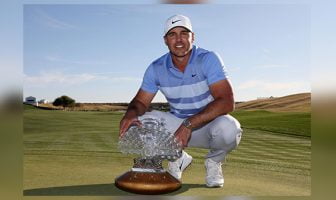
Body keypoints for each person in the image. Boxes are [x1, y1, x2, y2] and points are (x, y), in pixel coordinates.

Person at [119, 14, 242, 188]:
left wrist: (188, 124)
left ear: (193, 37)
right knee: (142, 120)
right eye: (172, 34)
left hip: (208, 124)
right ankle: (177, 158)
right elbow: (140, 102)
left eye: (184, 33)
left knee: (230, 129)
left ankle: (214, 163)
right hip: (177, 127)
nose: (179, 39)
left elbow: (227, 102)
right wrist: (130, 114)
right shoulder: (156, 67)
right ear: (165, 40)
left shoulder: (208, 59)